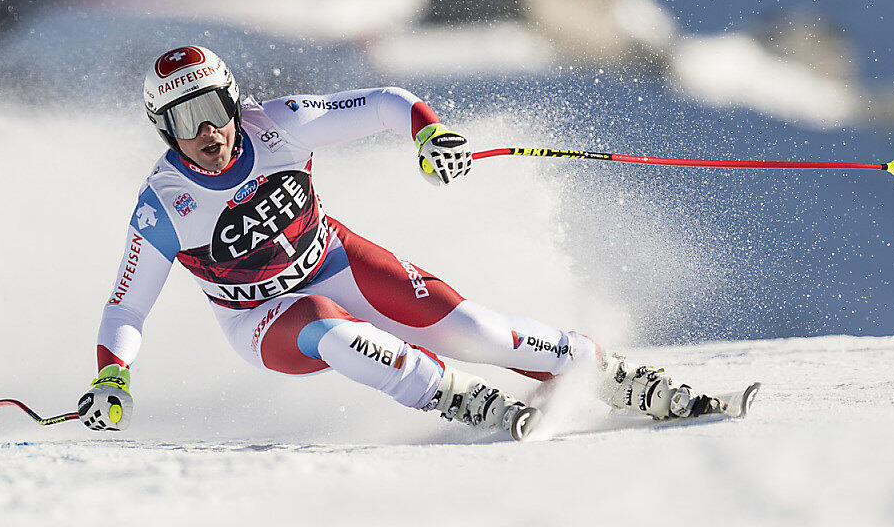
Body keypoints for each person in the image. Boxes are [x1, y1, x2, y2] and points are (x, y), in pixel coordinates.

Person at [77, 46, 701, 440]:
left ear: (235, 99)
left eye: (213, 107)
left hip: (335, 257)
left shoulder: (281, 125)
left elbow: (385, 104)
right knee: (329, 326)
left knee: (476, 334)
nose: (207, 129)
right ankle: (455, 397)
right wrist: (114, 379)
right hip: (262, 319)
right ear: (165, 130)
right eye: (185, 120)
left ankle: (607, 373)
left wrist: (429, 136)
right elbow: (126, 306)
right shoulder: (162, 204)